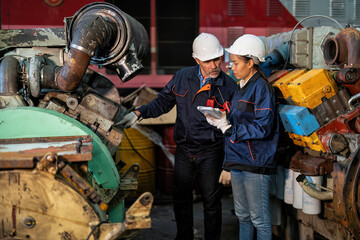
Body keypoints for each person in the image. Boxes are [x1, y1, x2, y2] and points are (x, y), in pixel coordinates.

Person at [117, 33, 237, 240]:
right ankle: (184, 236)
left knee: (211, 202)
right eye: (208, 60)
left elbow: (234, 127)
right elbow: (163, 101)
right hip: (184, 150)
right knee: (181, 199)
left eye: (217, 59)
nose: (214, 65)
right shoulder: (182, 77)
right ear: (197, 59)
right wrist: (139, 113)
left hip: (211, 151)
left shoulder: (228, 87)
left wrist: (229, 163)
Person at [205, 34, 279, 240]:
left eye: (236, 63)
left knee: (259, 220)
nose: (232, 67)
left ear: (251, 62)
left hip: (256, 163)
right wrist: (222, 119)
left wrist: (228, 128)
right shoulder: (241, 87)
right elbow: (238, 122)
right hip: (239, 161)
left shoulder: (262, 89)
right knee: (243, 216)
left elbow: (263, 127)